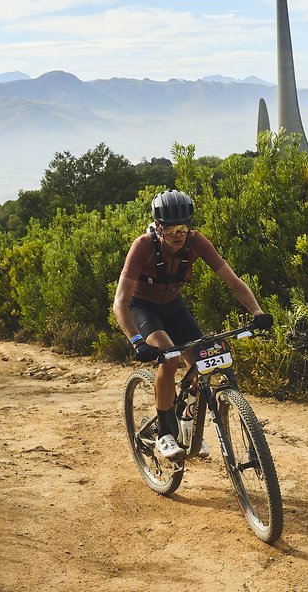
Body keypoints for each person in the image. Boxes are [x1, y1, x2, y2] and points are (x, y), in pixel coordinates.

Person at [112, 189, 273, 460]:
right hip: (142, 307)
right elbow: (120, 302)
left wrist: (257, 312)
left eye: (183, 228)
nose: (178, 235)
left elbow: (232, 281)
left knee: (202, 362)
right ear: (159, 226)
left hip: (173, 305)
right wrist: (136, 340)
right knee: (169, 355)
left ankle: (186, 423)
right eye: (172, 229)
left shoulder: (196, 242)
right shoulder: (143, 246)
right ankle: (164, 433)